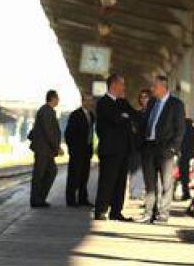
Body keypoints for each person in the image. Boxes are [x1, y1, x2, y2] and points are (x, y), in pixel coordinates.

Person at [136, 75, 186, 224]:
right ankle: (149, 213)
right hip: (149, 147)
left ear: (163, 87)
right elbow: (144, 123)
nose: (152, 89)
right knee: (150, 184)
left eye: (155, 87)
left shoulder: (176, 104)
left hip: (165, 150)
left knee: (166, 183)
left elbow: (180, 129)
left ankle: (163, 214)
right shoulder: (151, 103)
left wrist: (173, 148)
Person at [95, 74, 138, 221]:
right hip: (110, 150)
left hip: (123, 149)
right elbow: (114, 119)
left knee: (120, 183)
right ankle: (100, 210)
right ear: (114, 85)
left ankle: (116, 212)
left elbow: (133, 115)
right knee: (107, 181)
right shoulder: (103, 103)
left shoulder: (122, 102)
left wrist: (125, 116)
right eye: (122, 84)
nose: (124, 87)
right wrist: (123, 117)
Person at [28, 89, 62, 208]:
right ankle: (36, 200)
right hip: (43, 150)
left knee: (50, 172)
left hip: (46, 150)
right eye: (57, 98)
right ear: (52, 98)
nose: (59, 100)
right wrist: (57, 147)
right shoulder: (47, 111)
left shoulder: (47, 110)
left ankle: (40, 198)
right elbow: (48, 131)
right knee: (40, 174)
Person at [64, 93, 96, 207]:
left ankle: (83, 198)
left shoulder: (91, 116)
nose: (89, 103)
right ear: (82, 101)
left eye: (91, 100)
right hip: (77, 151)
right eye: (87, 100)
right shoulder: (75, 115)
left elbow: (91, 133)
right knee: (74, 176)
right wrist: (72, 148)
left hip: (87, 151)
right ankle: (71, 199)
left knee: (84, 175)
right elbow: (68, 133)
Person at [126, 88, 150, 200]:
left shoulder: (154, 114)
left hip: (150, 147)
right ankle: (135, 192)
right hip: (137, 147)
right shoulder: (137, 114)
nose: (143, 99)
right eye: (142, 97)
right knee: (136, 169)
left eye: (146, 97)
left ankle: (149, 193)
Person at [178, 118, 194, 201]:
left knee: (184, 176)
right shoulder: (193, 131)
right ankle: (186, 193)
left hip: (184, 156)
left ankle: (185, 192)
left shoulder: (182, 131)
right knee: (185, 176)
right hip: (189, 155)